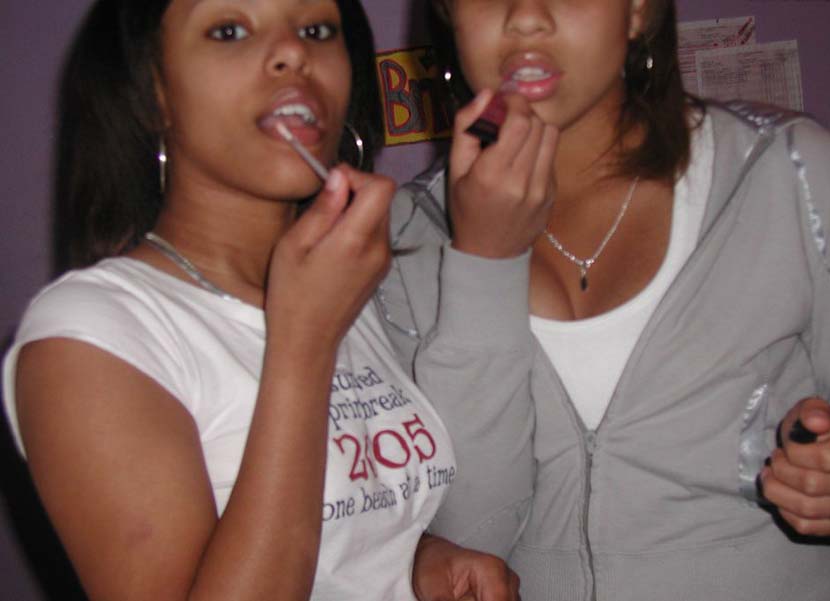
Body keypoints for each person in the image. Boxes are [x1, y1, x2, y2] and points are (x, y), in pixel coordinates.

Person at [376, 0, 830, 599]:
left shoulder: (783, 168)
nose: (526, 16)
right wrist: (484, 262)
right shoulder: (406, 236)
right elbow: (474, 538)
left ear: (638, 11)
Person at [2, 1, 520, 600]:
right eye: (228, 30)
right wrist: (303, 345)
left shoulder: (335, 283)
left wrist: (422, 559)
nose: (294, 51)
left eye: (317, 29)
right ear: (154, 93)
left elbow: (341, 531)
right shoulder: (91, 333)